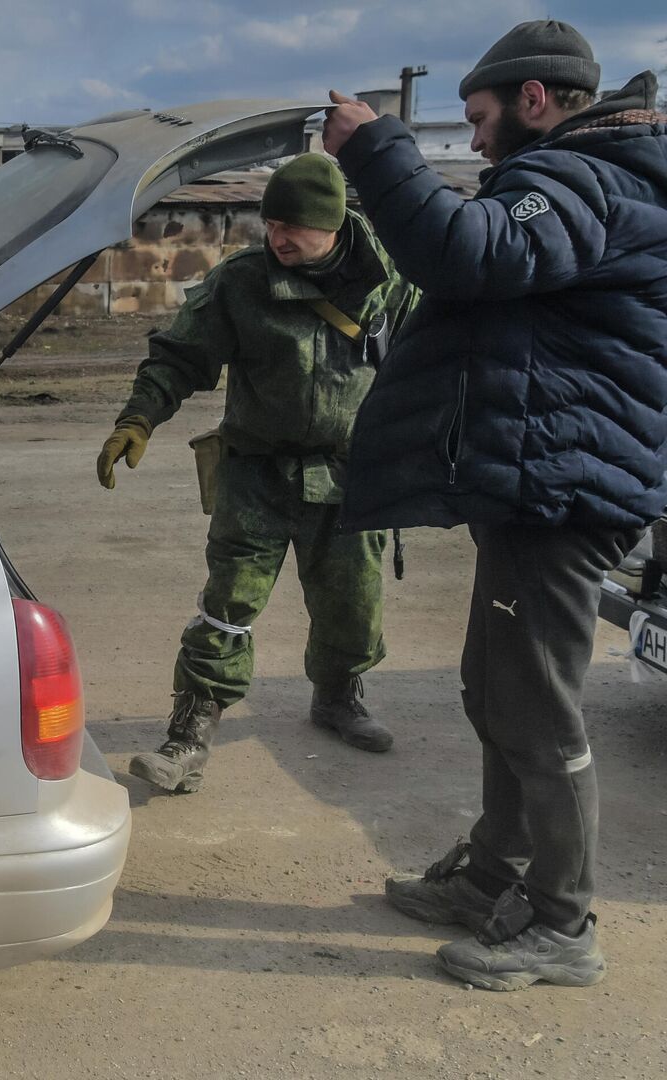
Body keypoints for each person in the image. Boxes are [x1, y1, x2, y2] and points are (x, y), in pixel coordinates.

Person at [322, 21, 667, 990]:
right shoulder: (580, 177)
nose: (471, 142)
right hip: (542, 477)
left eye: (477, 121)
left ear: (537, 99)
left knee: (537, 711)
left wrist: (379, 150)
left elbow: (465, 253)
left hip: (565, 487)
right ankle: (490, 877)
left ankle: (563, 923)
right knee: (494, 687)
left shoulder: (584, 180)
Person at [98, 154, 419, 794]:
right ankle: (189, 736)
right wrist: (138, 419)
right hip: (257, 474)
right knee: (228, 604)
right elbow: (180, 357)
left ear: (333, 225)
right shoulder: (242, 283)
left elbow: (434, 368)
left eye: (292, 228)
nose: (277, 239)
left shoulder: (394, 285)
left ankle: (337, 698)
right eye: (270, 224)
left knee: (353, 607)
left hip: (350, 477)